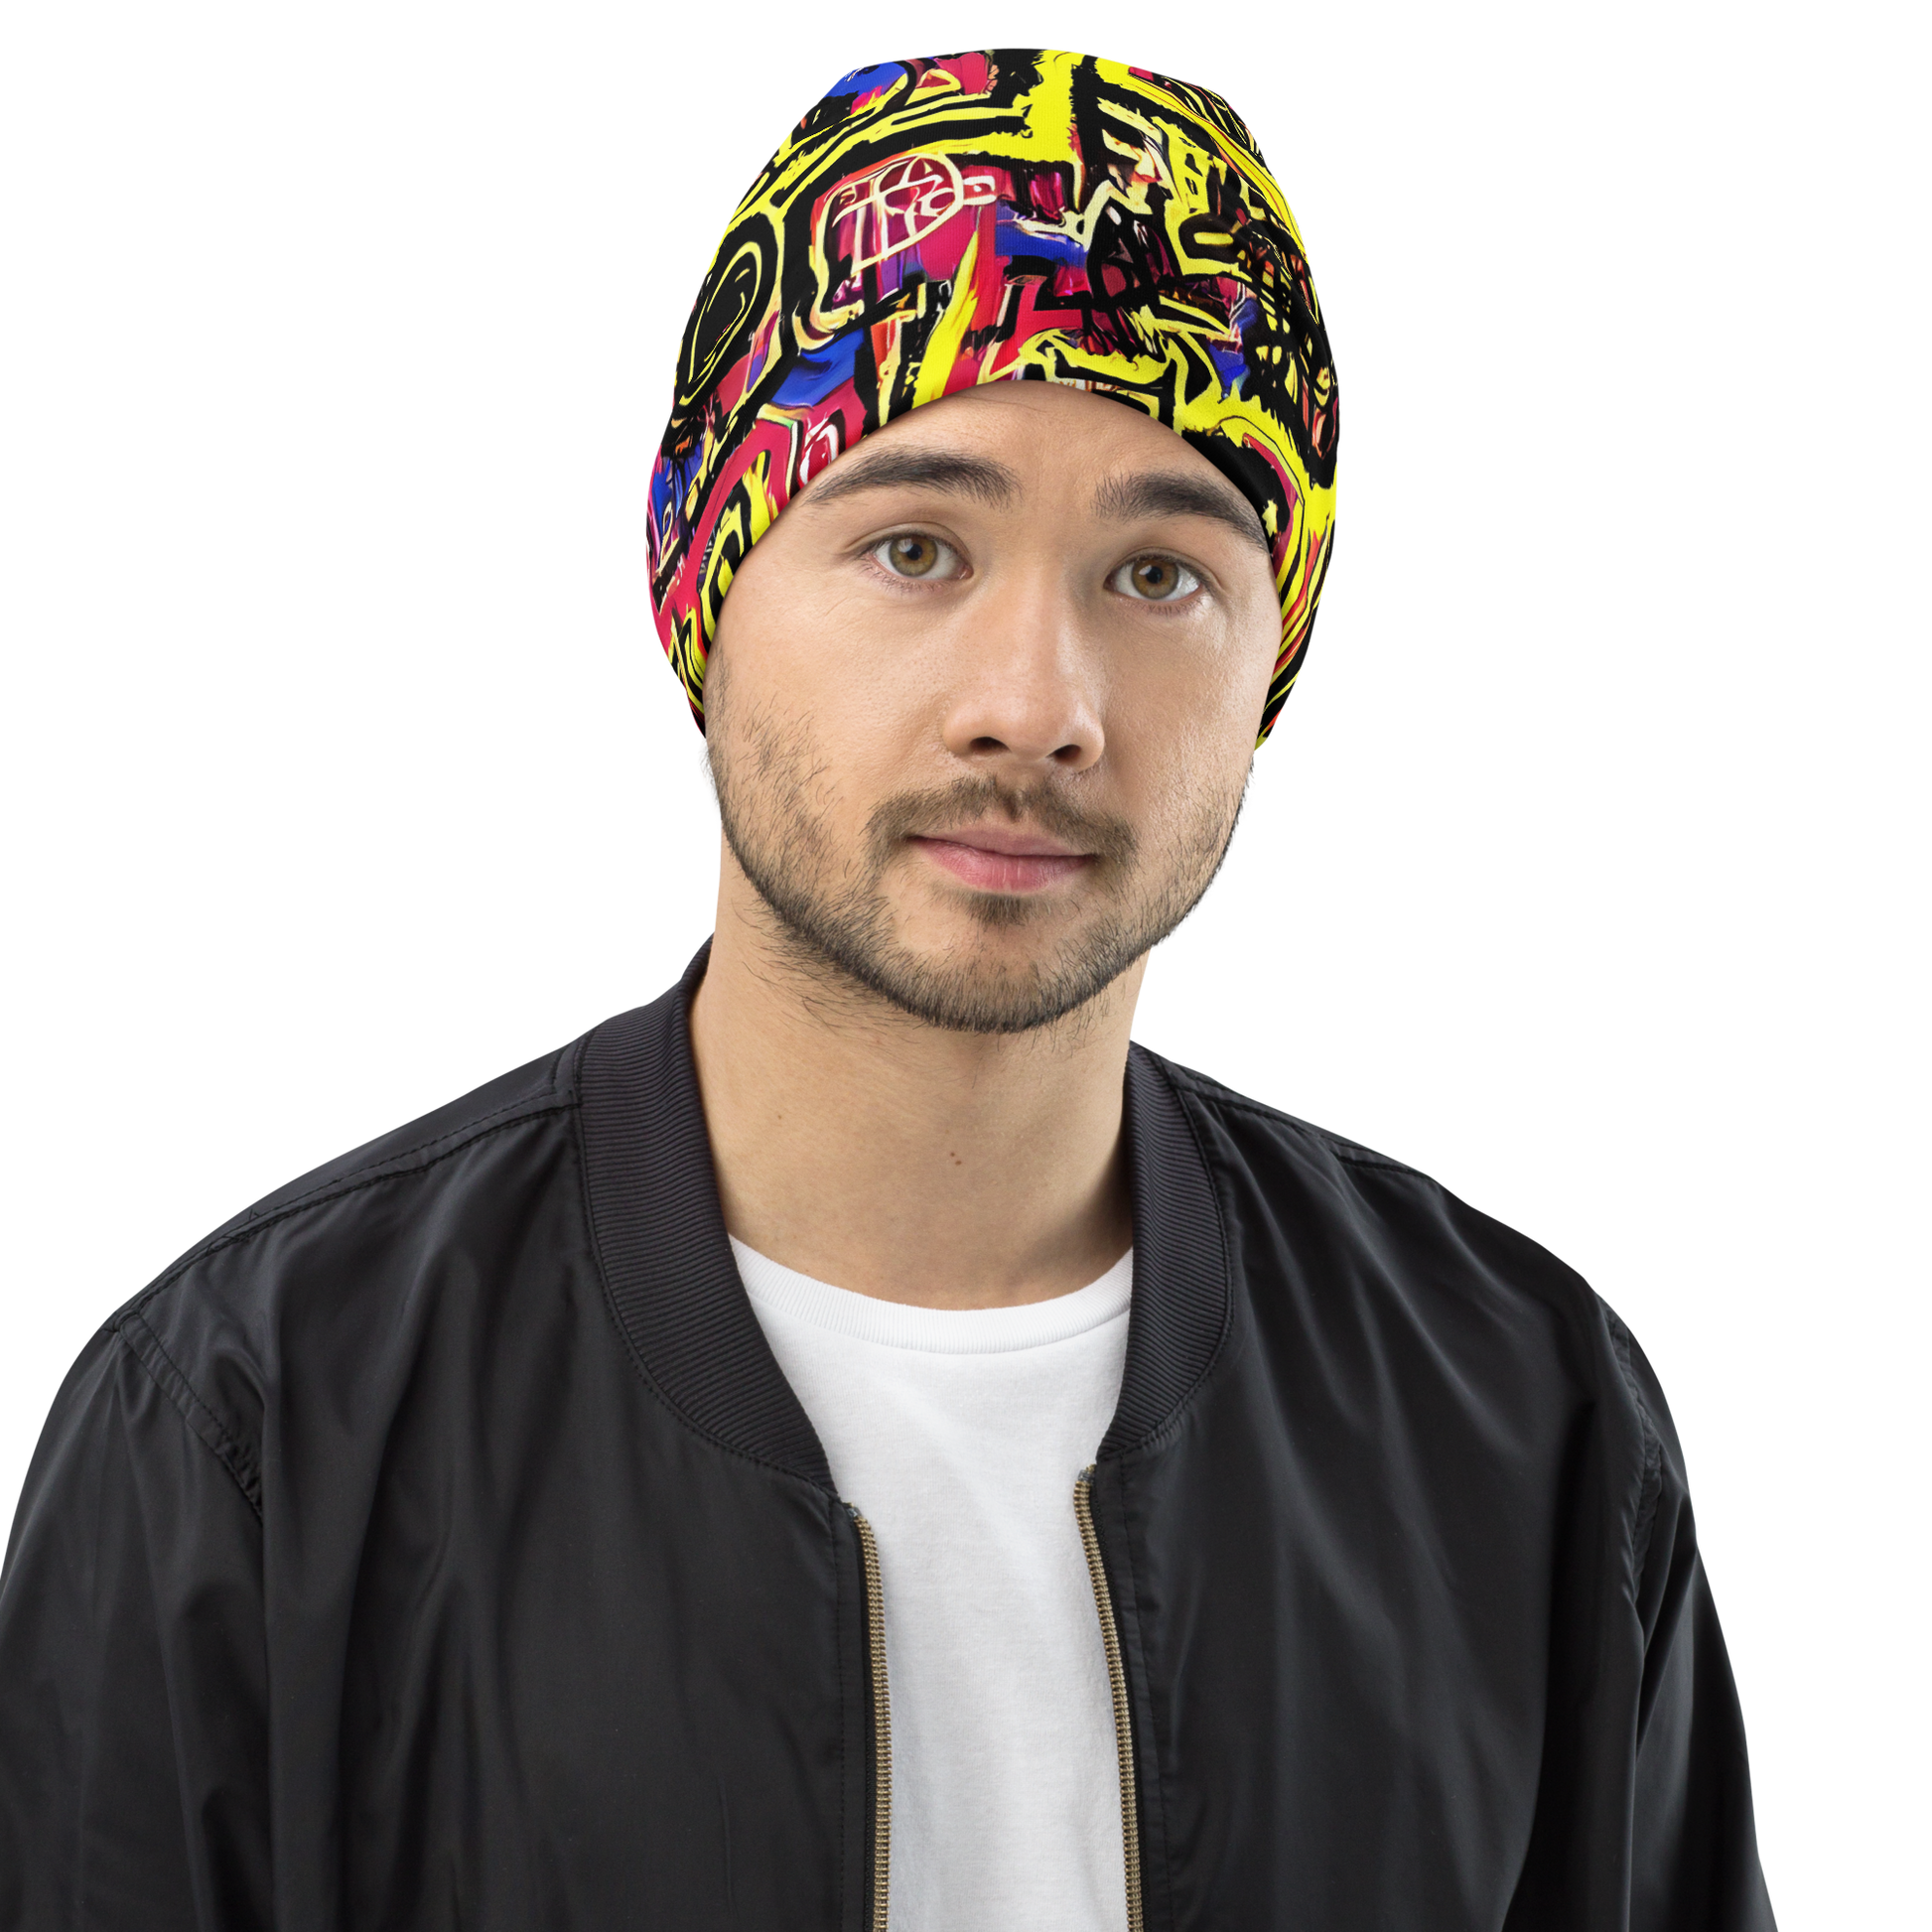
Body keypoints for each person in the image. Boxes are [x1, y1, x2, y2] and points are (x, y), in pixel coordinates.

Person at [0, 46, 1774, 1931]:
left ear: (1275, 666)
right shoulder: (254, 1419)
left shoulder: (1526, 1412)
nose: (1037, 704)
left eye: (1158, 574)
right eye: (914, 546)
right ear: (698, 594)